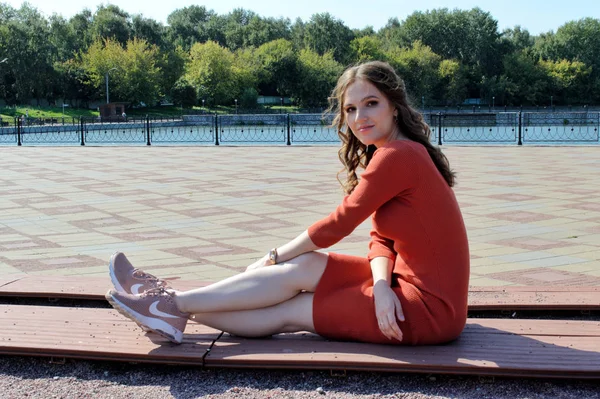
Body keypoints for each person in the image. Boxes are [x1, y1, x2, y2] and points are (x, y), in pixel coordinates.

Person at [105, 60, 470, 345]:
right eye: (351, 109)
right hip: (402, 285)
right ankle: (169, 304)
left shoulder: (398, 156)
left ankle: (169, 305)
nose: (360, 118)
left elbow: (339, 224)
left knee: (290, 310)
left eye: (371, 104)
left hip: (429, 311)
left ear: (394, 105)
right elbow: (381, 241)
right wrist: (378, 286)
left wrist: (275, 255)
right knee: (305, 266)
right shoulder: (399, 153)